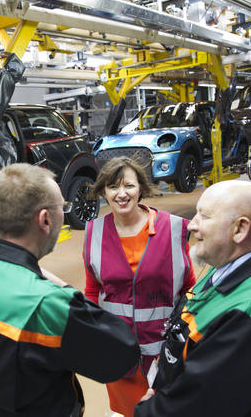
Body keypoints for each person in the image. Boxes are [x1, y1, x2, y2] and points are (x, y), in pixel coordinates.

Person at [0, 163, 140, 417]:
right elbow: (124, 356)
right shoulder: (50, 305)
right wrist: (60, 285)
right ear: (45, 219)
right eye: (62, 208)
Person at [134, 180, 251, 417]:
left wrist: (149, 410)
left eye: (205, 216)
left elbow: (199, 406)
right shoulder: (227, 265)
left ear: (239, 229)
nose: (192, 225)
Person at [83, 156, 196, 417]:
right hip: (119, 353)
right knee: (129, 410)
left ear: (141, 188)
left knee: (167, 409)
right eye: (113, 187)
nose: (121, 194)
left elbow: (189, 287)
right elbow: (92, 290)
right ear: (103, 191)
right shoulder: (94, 233)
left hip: (166, 352)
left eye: (129, 186)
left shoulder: (173, 228)